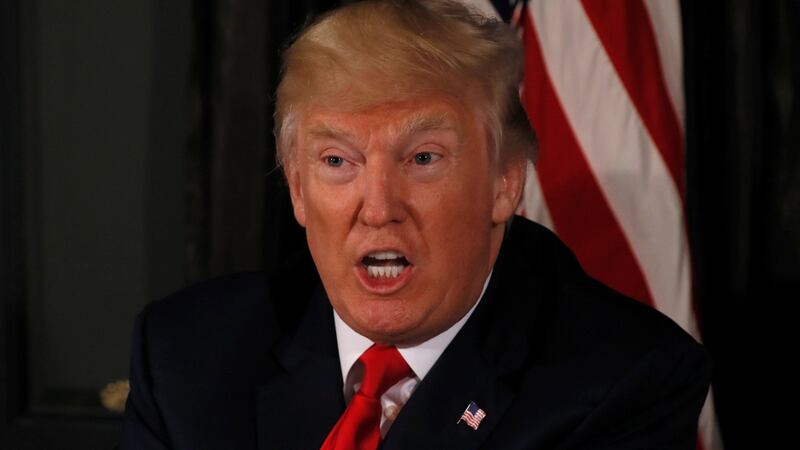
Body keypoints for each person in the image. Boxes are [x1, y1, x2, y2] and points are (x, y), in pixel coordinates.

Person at [120, 0, 712, 449]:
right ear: (298, 189)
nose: (378, 207)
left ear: (504, 183)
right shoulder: (186, 357)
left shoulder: (625, 382)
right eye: (337, 161)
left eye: (423, 158)